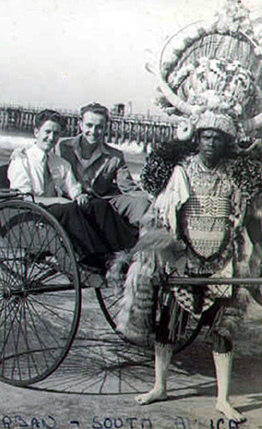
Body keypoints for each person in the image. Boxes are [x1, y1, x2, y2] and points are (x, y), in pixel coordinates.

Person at [117, 123, 253, 423]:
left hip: (222, 261)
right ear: (198, 139)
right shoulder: (180, 170)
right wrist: (178, 138)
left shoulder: (236, 173)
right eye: (206, 137)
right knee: (168, 323)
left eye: (218, 138)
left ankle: (222, 399)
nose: (211, 144)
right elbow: (153, 173)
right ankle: (160, 386)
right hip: (183, 258)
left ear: (225, 143)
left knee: (222, 330)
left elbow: (256, 169)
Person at [7, 109, 138, 271]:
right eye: (47, 132)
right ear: (36, 132)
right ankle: (90, 256)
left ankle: (126, 249)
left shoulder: (59, 162)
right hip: (33, 212)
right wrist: (59, 200)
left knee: (98, 205)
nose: (51, 138)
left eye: (56, 134)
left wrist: (79, 195)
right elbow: (24, 198)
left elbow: (73, 187)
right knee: (69, 208)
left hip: (57, 209)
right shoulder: (22, 160)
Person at [57, 102, 151, 226]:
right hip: (71, 200)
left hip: (103, 202)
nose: (94, 131)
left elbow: (128, 187)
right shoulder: (63, 147)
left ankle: (139, 241)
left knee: (141, 202)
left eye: (99, 127)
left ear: (106, 127)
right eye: (89, 125)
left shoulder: (115, 156)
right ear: (80, 125)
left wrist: (151, 199)